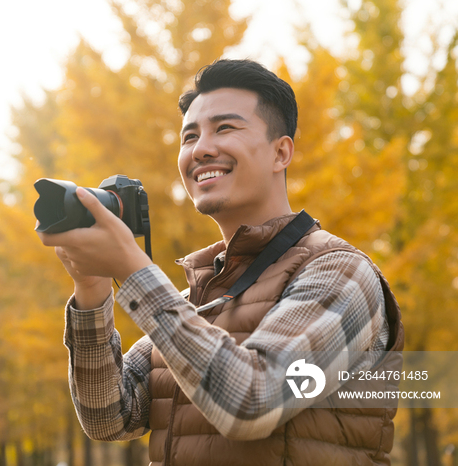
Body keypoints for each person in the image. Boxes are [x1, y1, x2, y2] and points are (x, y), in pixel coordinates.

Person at [37, 59, 404, 466]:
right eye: (189, 136)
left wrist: (133, 270)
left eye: (224, 128)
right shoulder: (195, 299)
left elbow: (254, 401)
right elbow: (108, 417)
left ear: (281, 152)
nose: (201, 148)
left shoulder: (340, 272)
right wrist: (92, 290)